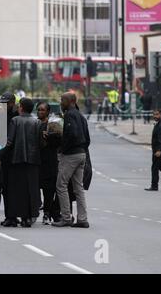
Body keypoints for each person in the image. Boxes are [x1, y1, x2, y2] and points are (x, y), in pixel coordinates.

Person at [0, 98, 41, 228]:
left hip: (16, 160)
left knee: (15, 190)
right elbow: (39, 143)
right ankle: (27, 217)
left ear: (21, 107)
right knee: (30, 190)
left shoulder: (15, 120)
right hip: (33, 161)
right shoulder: (36, 122)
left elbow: (9, 142)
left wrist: (0, 156)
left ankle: (13, 217)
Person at [53, 93, 90, 228]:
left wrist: (63, 149)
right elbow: (87, 138)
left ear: (71, 101)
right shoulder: (81, 116)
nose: (61, 103)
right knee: (78, 188)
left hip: (71, 155)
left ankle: (66, 217)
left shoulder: (69, 114)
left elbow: (72, 134)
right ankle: (82, 219)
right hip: (81, 154)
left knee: (61, 185)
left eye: (63, 100)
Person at [0, 92, 19, 226]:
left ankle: (13, 216)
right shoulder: (1, 115)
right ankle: (9, 216)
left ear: (12, 103)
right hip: (4, 154)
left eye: (6, 103)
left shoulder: (17, 116)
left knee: (13, 188)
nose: (3, 105)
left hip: (14, 155)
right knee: (5, 188)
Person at [37, 102, 62, 224]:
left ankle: (47, 213)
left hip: (50, 162)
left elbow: (59, 141)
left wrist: (49, 136)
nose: (40, 112)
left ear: (48, 111)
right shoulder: (35, 124)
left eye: (42, 110)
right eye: (38, 110)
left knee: (48, 190)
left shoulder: (53, 125)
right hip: (37, 161)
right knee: (35, 188)